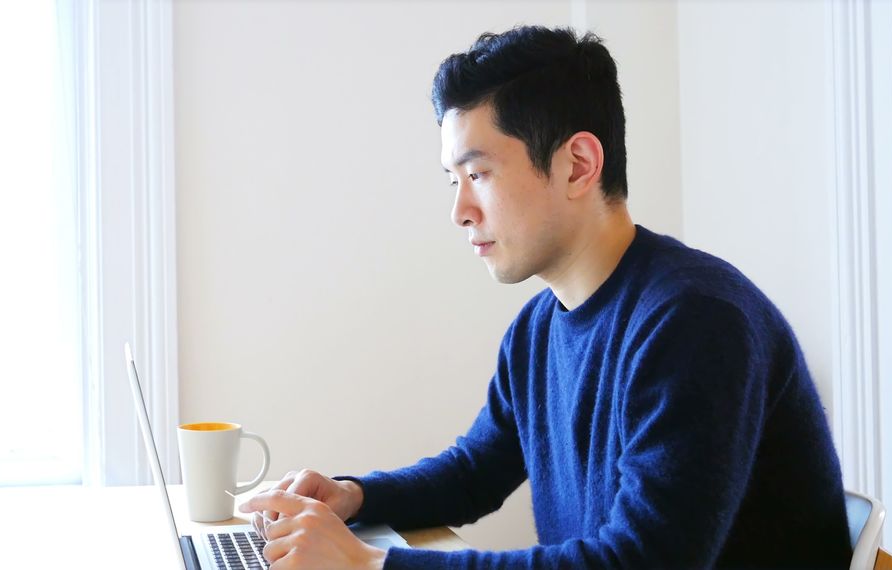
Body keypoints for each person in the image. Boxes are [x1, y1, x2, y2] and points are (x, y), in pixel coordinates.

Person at [239, 25, 852, 569]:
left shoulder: (695, 321)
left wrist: (370, 565)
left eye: (477, 174)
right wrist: (356, 496)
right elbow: (475, 472)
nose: (459, 210)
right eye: (453, 180)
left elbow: (643, 561)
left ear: (578, 165)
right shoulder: (538, 329)